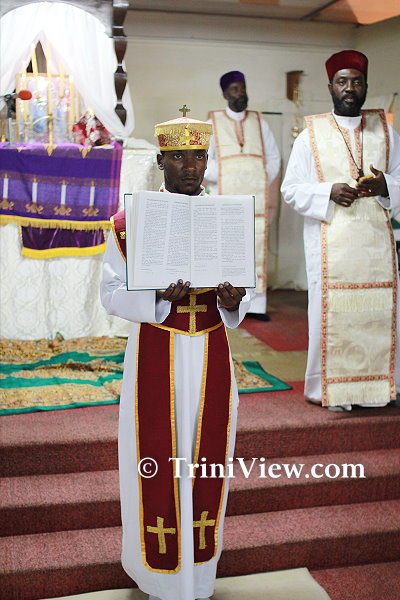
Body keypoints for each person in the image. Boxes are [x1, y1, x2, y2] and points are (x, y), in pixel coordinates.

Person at [100, 111, 254, 600]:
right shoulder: (128, 224)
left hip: (210, 351)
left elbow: (244, 291)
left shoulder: (227, 219)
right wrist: (156, 297)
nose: (191, 166)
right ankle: (159, 578)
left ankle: (199, 577)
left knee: (207, 458)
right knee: (157, 459)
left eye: (199, 156)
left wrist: (234, 300)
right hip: (157, 351)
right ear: (161, 162)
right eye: (180, 157)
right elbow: (109, 293)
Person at [281, 50, 400, 411]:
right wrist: (327, 192)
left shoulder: (388, 133)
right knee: (332, 316)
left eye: (357, 81)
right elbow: (291, 190)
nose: (350, 88)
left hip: (377, 249)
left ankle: (379, 389)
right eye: (342, 82)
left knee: (381, 313)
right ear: (330, 86)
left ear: (366, 86)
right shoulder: (310, 135)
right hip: (331, 247)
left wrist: (385, 186)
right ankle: (332, 392)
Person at [205, 70, 281, 320]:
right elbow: (205, 160)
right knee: (227, 251)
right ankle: (225, 302)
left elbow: (273, 158)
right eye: (235, 89)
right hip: (223, 199)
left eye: (243, 88)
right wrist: (231, 173)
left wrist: (257, 176)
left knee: (254, 249)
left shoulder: (260, 123)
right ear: (225, 94)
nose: (240, 93)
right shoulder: (213, 122)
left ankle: (256, 306)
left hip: (254, 199)